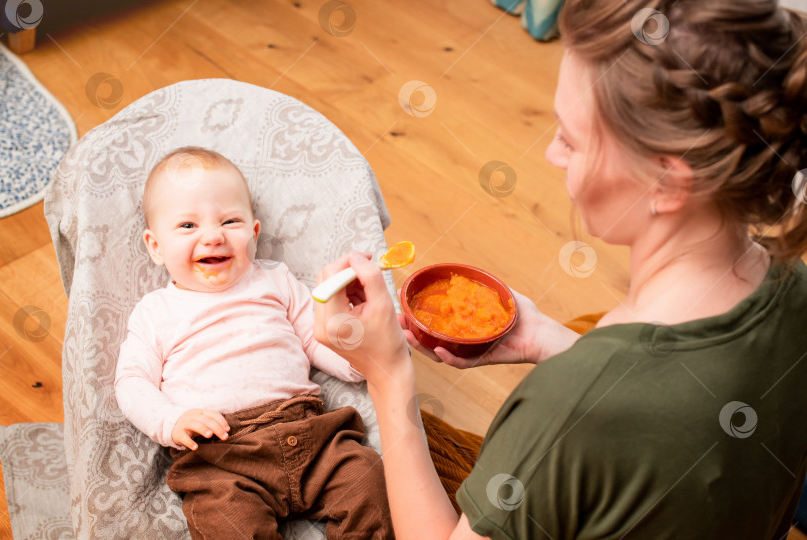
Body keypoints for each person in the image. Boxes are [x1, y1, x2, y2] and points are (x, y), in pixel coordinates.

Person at [313, 0, 807, 538]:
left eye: (570, 138)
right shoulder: (793, 289)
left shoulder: (568, 408)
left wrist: (388, 376)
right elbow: (685, 418)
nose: (551, 152)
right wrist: (551, 341)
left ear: (667, 181)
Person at [114, 147, 394, 539]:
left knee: (365, 479)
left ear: (254, 234)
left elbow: (315, 338)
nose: (213, 236)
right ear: (155, 246)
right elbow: (131, 382)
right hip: (222, 457)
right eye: (187, 226)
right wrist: (172, 419)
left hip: (312, 435)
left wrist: (361, 356)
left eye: (230, 221)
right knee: (229, 523)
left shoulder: (274, 281)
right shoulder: (156, 312)